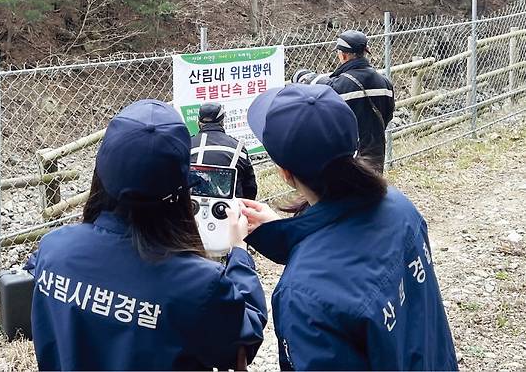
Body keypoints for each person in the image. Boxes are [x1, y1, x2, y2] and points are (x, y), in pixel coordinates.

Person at [28, 99, 267, 371]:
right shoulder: (199, 283)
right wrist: (238, 251)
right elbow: (244, 339)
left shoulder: (53, 249)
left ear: (101, 171)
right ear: (181, 188)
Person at [239, 83, 458, 371]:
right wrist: (281, 234)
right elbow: (348, 257)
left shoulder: (302, 295)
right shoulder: (399, 206)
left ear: (285, 173)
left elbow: (330, 273)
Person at [293, 30, 394, 172]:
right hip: (376, 154)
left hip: (348, 158)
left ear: (343, 55)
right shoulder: (385, 83)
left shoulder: (337, 86)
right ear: (364, 52)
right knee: (373, 191)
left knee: (350, 192)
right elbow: (388, 115)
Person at [190, 102, 258, 199]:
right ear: (222, 121)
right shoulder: (238, 147)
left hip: (195, 208)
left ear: (199, 123)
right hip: (232, 209)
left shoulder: (188, 146)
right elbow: (250, 188)